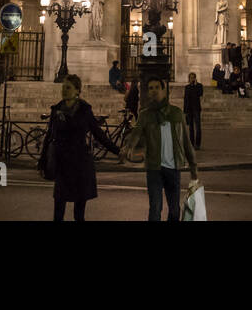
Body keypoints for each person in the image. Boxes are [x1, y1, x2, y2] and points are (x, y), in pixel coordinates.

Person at [39, 74, 122, 221]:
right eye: (63, 87)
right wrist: (42, 161)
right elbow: (49, 136)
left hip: (80, 164)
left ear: (77, 90)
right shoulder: (56, 109)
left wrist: (117, 151)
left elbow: (98, 134)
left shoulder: (85, 110)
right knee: (58, 210)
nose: (64, 90)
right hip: (62, 164)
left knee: (79, 214)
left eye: (68, 87)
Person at [122, 76, 199, 221]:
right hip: (154, 168)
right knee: (155, 208)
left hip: (173, 167)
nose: (154, 91)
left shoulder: (176, 113)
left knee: (175, 210)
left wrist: (193, 167)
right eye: (151, 88)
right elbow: (136, 134)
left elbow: (186, 142)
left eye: (157, 87)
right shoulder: (145, 115)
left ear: (164, 90)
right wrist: (128, 148)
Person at [183, 72, 203, 149]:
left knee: (198, 127)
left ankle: (197, 144)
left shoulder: (199, 86)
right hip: (189, 109)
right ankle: (191, 144)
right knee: (191, 127)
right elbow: (185, 99)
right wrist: (185, 111)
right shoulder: (187, 87)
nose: (192, 79)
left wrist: (195, 85)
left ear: (195, 78)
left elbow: (200, 94)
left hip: (196, 108)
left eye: (193, 77)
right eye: (190, 77)